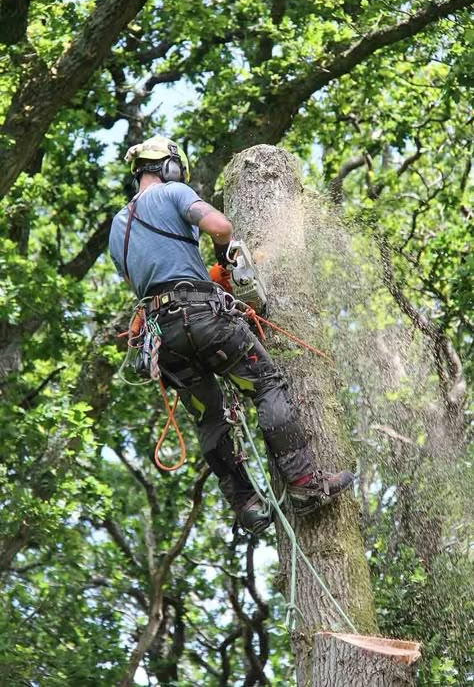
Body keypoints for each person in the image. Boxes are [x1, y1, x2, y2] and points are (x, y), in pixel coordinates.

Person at [109, 135, 354, 534]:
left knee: (209, 419)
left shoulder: (118, 226)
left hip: (163, 339)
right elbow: (220, 226)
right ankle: (305, 483)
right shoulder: (174, 192)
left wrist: (201, 278)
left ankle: (248, 507)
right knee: (267, 385)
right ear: (170, 167)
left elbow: (151, 278)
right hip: (204, 321)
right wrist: (223, 258)